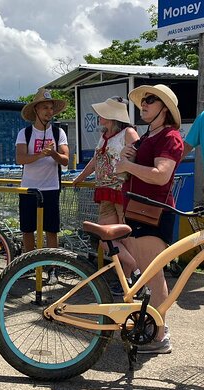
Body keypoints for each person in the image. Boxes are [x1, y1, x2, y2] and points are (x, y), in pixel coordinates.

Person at [116, 84, 185, 354]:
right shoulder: (148, 136)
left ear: (165, 108)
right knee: (145, 274)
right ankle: (153, 328)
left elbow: (160, 175)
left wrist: (127, 165)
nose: (143, 104)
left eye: (151, 100)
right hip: (139, 210)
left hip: (153, 213)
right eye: (143, 100)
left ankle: (159, 336)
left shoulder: (169, 136)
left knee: (154, 277)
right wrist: (128, 159)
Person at [72, 96, 139, 292]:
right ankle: (133, 270)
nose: (99, 116)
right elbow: (95, 161)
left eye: (103, 113)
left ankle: (128, 277)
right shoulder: (104, 136)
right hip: (105, 190)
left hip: (122, 189)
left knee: (125, 236)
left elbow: (139, 154)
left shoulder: (129, 133)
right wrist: (81, 177)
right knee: (105, 238)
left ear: (112, 116)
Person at [15, 88, 70, 267]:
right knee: (28, 229)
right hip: (29, 188)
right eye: (45, 107)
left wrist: (53, 153)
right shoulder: (25, 133)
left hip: (51, 188)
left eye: (51, 108)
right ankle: (29, 266)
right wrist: (40, 155)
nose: (49, 111)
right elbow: (20, 158)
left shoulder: (58, 133)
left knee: (51, 230)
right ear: (36, 110)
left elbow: (66, 160)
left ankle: (52, 268)